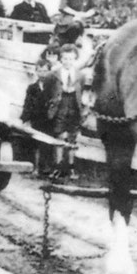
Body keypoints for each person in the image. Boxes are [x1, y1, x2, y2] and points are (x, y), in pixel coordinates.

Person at [50, 43, 84, 181]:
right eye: (65, 59)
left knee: (72, 138)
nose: (68, 62)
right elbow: (48, 91)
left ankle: (71, 167)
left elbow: (80, 91)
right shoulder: (54, 75)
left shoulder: (80, 75)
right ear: (60, 59)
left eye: (70, 59)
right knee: (59, 136)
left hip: (74, 109)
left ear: (75, 59)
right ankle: (57, 167)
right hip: (60, 108)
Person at [19, 59, 58, 175]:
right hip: (36, 120)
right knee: (35, 144)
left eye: (45, 71)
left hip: (48, 120)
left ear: (50, 72)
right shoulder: (32, 88)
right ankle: (35, 168)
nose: (42, 74)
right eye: (40, 71)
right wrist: (25, 119)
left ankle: (46, 168)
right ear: (36, 72)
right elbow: (27, 104)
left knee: (47, 144)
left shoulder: (52, 88)